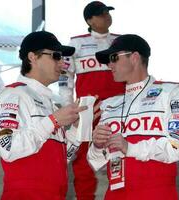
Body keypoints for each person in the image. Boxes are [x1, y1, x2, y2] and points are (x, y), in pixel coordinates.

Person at [88, 34, 179, 200]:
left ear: (134, 57)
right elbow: (96, 162)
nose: (109, 64)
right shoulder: (109, 105)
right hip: (115, 193)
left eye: (113, 58)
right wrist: (97, 146)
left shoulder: (170, 92)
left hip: (156, 193)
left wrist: (131, 148)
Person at [0, 31, 88, 200]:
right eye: (56, 56)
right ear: (32, 57)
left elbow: (60, 160)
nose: (62, 63)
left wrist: (76, 130)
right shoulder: (14, 94)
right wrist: (53, 121)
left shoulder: (50, 104)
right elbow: (8, 148)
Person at [58, 1, 125, 199]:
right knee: (82, 159)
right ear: (89, 20)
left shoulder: (122, 42)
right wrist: (68, 106)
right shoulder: (75, 43)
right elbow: (65, 76)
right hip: (87, 109)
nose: (106, 16)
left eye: (107, 12)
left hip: (119, 107)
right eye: (101, 14)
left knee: (119, 151)